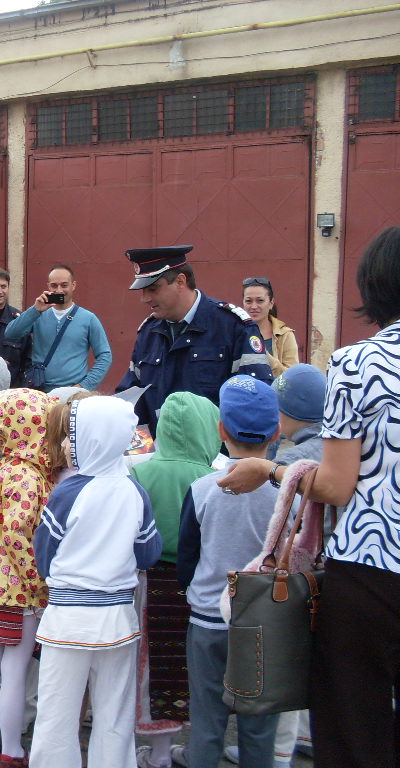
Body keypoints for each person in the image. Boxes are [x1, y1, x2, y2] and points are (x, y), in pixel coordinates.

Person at [217, 226, 400, 768]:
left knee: (355, 722)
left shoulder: (360, 362)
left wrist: (272, 472)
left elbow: (337, 484)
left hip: (373, 570)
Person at [30, 396, 162, 768]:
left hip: (67, 620)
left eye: (73, 436)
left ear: (93, 439)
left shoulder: (67, 493)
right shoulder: (135, 491)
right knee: (115, 714)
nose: (68, 445)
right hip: (117, 618)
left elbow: (44, 554)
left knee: (56, 713)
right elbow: (148, 553)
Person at [174, 376, 284, 768]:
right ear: (276, 431)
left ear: (220, 430)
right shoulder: (289, 491)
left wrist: (193, 589)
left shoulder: (204, 488)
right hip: (265, 622)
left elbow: (188, 555)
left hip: (208, 619)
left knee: (205, 722)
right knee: (259, 727)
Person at [130, 392, 221, 768]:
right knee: (194, 668)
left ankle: (160, 750)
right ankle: (198, 745)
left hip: (147, 582)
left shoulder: (138, 470)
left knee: (149, 668)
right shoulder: (216, 477)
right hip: (200, 583)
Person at [0, 388, 54, 768]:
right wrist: (37, 581)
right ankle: (11, 749)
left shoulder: (5, 464)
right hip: (19, 590)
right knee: (15, 670)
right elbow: (19, 529)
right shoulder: (28, 473)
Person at [116, 245, 273, 434]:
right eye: (143, 291)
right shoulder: (149, 333)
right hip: (161, 455)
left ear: (181, 281)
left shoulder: (232, 326)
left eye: (153, 289)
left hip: (215, 456)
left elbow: (254, 398)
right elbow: (132, 400)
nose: (145, 298)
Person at [3, 264, 111, 391]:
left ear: (73, 285)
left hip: (73, 392)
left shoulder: (88, 318)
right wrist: (35, 310)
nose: (59, 290)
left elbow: (105, 355)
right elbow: (10, 334)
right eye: (54, 285)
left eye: (64, 285)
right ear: (48, 286)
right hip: (40, 390)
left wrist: (84, 386)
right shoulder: (38, 314)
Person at [242, 276, 298, 377]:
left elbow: (292, 378)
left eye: (260, 301)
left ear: (271, 303)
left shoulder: (285, 335)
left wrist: (262, 353)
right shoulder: (233, 332)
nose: (254, 306)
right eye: (249, 301)